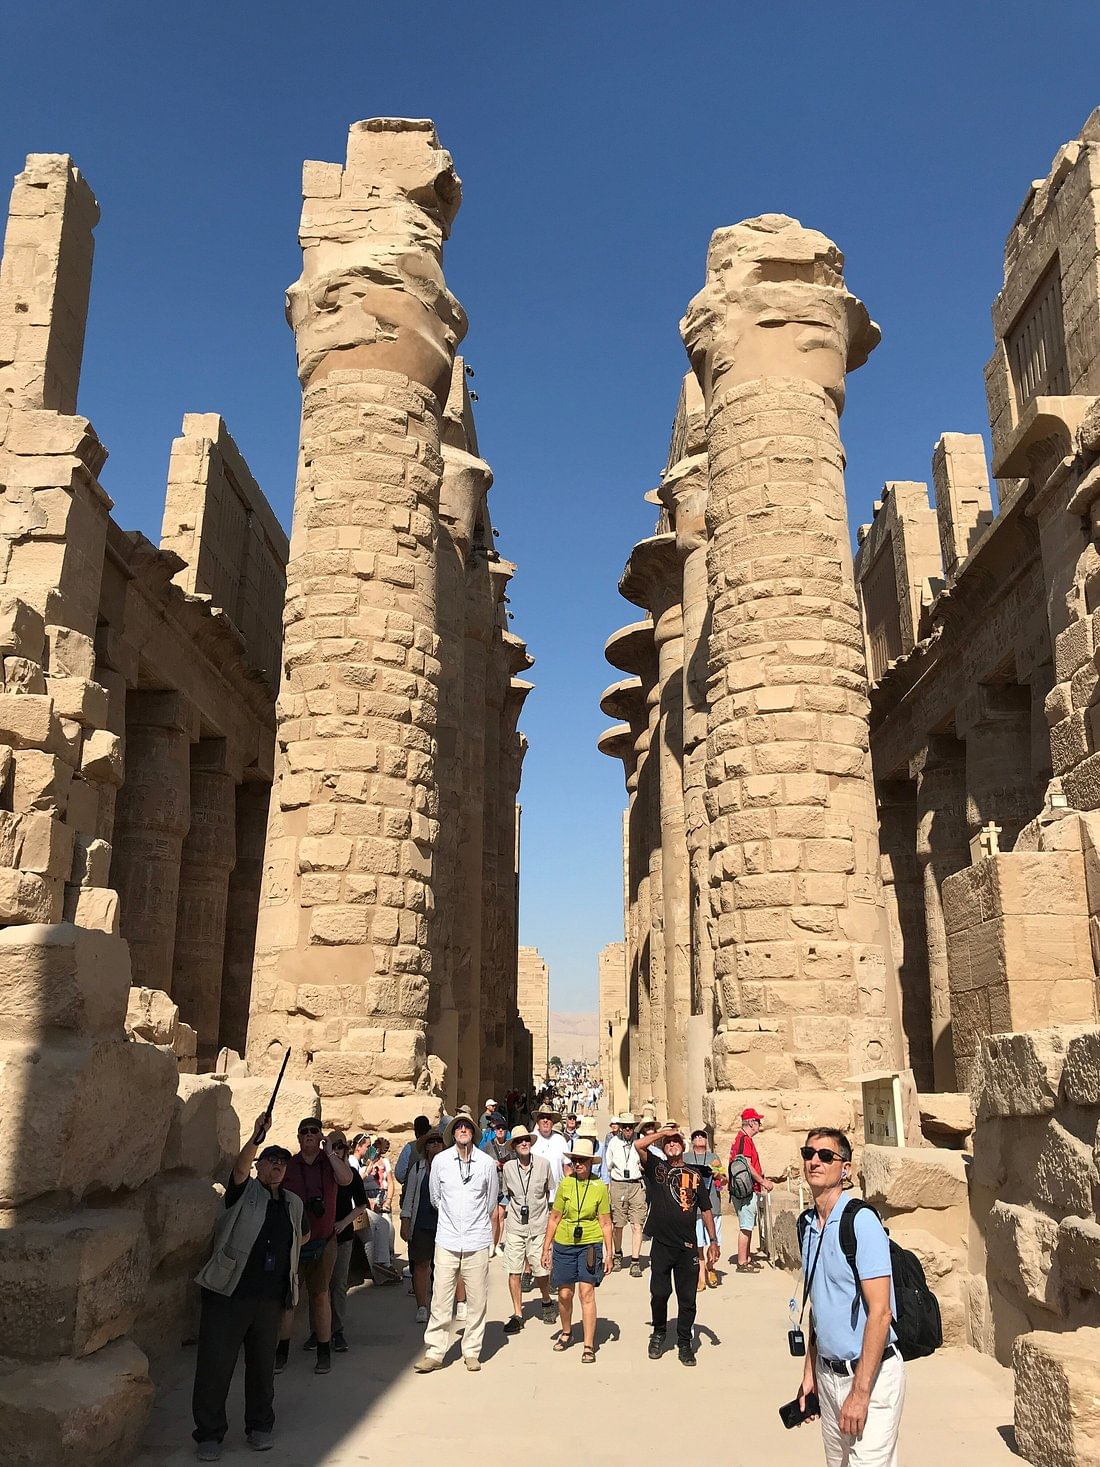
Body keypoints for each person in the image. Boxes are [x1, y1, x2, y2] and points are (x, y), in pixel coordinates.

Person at [192, 1113, 306, 1460]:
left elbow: (298, 1239)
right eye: (271, 1161)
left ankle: (260, 1426)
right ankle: (209, 1434)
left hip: (269, 1298)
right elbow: (240, 1168)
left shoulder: (293, 1203)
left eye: (282, 1162)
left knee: (262, 1368)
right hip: (229, 1292)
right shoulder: (244, 1192)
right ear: (260, 1166)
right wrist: (257, 1137)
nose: (278, 1166)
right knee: (216, 1367)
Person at [795, 1128, 904, 1466]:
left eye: (825, 1156)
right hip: (827, 1375)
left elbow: (881, 1312)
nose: (814, 1161)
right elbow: (820, 1306)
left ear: (845, 1169)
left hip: (869, 1375)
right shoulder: (807, 1224)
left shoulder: (860, 1221)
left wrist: (860, 1393)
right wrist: (810, 1372)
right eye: (808, 1153)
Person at [415, 1113, 498, 1373]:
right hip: (448, 1237)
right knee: (441, 1297)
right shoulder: (441, 1161)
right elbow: (435, 1198)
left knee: (477, 1299)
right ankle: (435, 1352)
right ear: (453, 1133)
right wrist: (451, 1219)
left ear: (473, 1132)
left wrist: (475, 1222)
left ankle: (471, 1351)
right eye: (458, 1127)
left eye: (467, 1127)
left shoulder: (486, 1163)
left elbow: (490, 1202)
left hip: (476, 1238)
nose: (463, 1130)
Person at [276, 1116, 354, 1376]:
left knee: (321, 1296)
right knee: (289, 1298)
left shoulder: (329, 1163)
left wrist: (330, 1151)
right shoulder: (290, 1164)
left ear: (320, 1136)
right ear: (298, 1137)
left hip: (324, 1240)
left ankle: (323, 1352)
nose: (309, 1134)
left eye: (314, 1131)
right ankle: (281, 1352)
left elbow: (346, 1179)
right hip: (293, 1242)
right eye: (304, 1131)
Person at [634, 1123, 718, 1367]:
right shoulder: (657, 1167)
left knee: (687, 1298)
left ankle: (684, 1342)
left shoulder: (694, 1175)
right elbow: (638, 1145)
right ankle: (659, 1332)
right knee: (659, 1293)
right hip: (662, 1244)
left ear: (683, 1146)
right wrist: (664, 1133)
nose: (672, 1144)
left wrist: (713, 1241)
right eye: (668, 1143)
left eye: (676, 1141)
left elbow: (706, 1209)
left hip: (687, 1246)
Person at [541, 1137, 613, 1364]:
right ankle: (567, 1331)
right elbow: (554, 1217)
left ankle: (589, 1345)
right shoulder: (566, 1184)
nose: (578, 1164)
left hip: (590, 1243)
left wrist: (609, 1253)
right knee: (564, 1293)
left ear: (591, 1163)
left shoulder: (599, 1187)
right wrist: (546, 1247)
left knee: (586, 1292)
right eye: (575, 1160)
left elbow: (605, 1222)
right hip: (565, 1242)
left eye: (583, 1160)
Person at [500, 1125, 555, 1332]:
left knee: (541, 1269)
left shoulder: (543, 1164)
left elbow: (548, 1192)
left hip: (538, 1224)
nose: (523, 1143)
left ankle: (546, 1300)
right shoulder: (508, 1168)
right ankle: (517, 1313)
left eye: (526, 1140)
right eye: (519, 1141)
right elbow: (508, 1193)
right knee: (514, 1270)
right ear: (514, 1146)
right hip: (516, 1225)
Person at [320, 1131, 369, 1354]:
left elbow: (361, 1205)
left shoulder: (350, 1174)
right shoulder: (320, 1173)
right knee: (319, 1287)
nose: (336, 1150)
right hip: (320, 1236)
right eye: (332, 1147)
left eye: (340, 1147)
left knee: (338, 1285)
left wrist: (344, 1222)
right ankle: (318, 1331)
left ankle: (337, 1330)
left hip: (343, 1235)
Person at [400, 1128, 445, 1324]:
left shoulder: (449, 1168)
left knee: (443, 1267)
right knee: (420, 1265)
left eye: (438, 1141)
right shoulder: (418, 1168)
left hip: (444, 1225)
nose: (435, 1144)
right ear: (425, 1147)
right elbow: (409, 1196)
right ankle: (422, 1306)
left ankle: (438, 1304)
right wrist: (405, 1220)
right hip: (421, 1223)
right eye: (431, 1141)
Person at [730, 1107, 773, 1272]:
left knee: (748, 1225)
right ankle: (742, 1262)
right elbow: (747, 1165)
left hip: (744, 1189)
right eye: (758, 1122)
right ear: (751, 1123)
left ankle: (747, 1258)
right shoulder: (745, 1140)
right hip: (747, 1190)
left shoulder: (741, 1138)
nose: (759, 1125)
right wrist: (763, 1181)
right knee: (746, 1226)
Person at [603, 1114, 646, 1277]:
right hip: (619, 1184)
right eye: (625, 1126)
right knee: (618, 1224)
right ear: (621, 1127)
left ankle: (635, 1261)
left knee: (637, 1224)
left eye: (630, 1126)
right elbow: (608, 1164)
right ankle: (618, 1253)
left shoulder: (640, 1140)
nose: (628, 1129)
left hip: (636, 1184)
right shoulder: (614, 1142)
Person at [688, 1128, 723, 1290]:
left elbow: (723, 1181)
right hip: (694, 1206)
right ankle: (701, 1276)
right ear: (692, 1141)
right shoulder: (686, 1158)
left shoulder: (714, 1157)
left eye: (702, 1136)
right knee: (698, 1244)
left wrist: (717, 1175)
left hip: (712, 1203)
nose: (699, 1138)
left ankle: (710, 1265)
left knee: (715, 1241)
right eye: (696, 1136)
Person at [480, 1114, 513, 1254]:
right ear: (494, 1130)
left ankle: (498, 1244)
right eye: (498, 1128)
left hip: (505, 1185)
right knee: (493, 1216)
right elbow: (481, 1161)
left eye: (503, 1128)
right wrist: (491, 1164)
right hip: (492, 1186)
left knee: (501, 1215)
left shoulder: (510, 1146)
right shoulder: (488, 1146)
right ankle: (490, 1243)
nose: (500, 1130)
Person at [531, 1105, 568, 1188]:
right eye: (542, 1117)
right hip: (535, 1192)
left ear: (553, 1122)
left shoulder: (560, 1140)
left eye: (548, 1118)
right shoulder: (530, 1139)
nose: (545, 1120)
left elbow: (567, 1167)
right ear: (537, 1121)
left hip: (557, 1192)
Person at [395, 1115, 432, 1191]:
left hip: (412, 1191)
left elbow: (400, 1175)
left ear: (416, 1131)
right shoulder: (438, 1145)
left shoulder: (409, 1147)